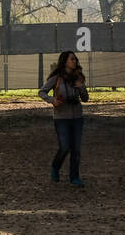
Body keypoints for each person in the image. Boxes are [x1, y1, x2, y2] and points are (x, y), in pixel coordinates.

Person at [38, 50, 89, 187]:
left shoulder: (79, 77)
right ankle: (55, 167)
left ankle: (74, 177)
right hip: (61, 118)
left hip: (77, 117)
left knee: (76, 149)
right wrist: (52, 100)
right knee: (65, 146)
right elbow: (42, 92)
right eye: (72, 59)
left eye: (75, 59)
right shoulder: (57, 78)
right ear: (65, 61)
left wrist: (82, 87)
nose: (75, 61)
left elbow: (85, 98)